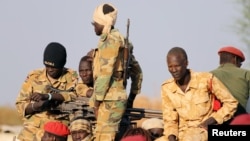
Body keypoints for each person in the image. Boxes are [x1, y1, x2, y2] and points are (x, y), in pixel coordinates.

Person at [157, 47, 238, 141]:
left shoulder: (206, 79)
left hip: (203, 131)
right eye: (170, 67)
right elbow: (170, 119)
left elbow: (231, 103)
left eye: (177, 66)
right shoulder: (167, 87)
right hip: (180, 133)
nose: (174, 70)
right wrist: (171, 138)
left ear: (186, 63)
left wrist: (211, 121)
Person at [15, 42, 78, 141]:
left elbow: (75, 96)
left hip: (56, 133)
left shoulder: (72, 77)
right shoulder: (34, 77)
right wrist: (35, 106)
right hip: (32, 132)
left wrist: (49, 96)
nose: (49, 69)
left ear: (62, 65)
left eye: (54, 67)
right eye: (47, 66)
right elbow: (20, 106)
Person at [90, 3, 128, 141]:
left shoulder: (109, 40)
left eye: (95, 23)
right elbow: (137, 72)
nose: (94, 26)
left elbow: (105, 73)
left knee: (104, 137)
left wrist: (96, 101)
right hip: (115, 95)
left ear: (104, 23)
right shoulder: (120, 38)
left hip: (110, 97)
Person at [210, 46, 250, 117]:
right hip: (239, 118)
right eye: (240, 63)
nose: (240, 66)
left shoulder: (208, 75)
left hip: (214, 119)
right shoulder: (246, 74)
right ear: (235, 59)